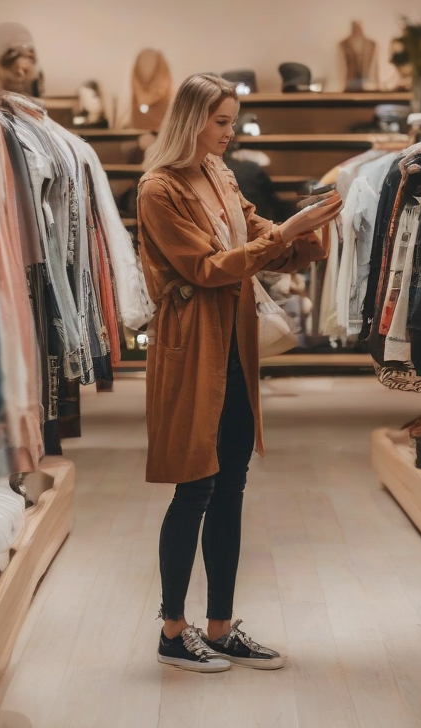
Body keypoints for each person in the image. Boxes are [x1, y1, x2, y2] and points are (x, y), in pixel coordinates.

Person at [136, 73, 342, 673]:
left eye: (233, 122)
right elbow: (206, 268)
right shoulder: (159, 189)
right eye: (222, 122)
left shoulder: (219, 174)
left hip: (232, 342)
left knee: (230, 486)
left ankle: (220, 627)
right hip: (191, 342)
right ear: (192, 119)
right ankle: (173, 631)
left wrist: (308, 231)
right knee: (194, 485)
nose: (232, 133)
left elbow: (256, 238)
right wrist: (288, 232)